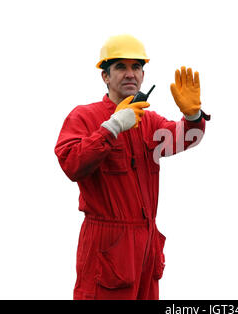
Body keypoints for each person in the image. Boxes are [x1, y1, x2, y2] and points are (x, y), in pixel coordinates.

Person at [54, 34, 210, 300]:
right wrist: (112, 127)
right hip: (107, 245)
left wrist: (193, 117)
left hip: (146, 245)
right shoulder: (85, 116)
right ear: (105, 76)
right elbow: (71, 163)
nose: (130, 74)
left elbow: (184, 138)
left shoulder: (147, 120)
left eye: (136, 67)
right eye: (121, 67)